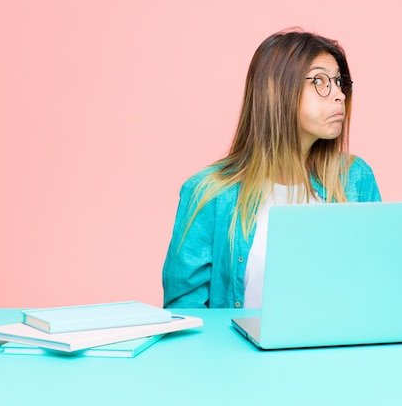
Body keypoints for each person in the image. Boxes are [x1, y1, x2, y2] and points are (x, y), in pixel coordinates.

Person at [162, 29, 381, 309]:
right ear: (277, 90)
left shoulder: (355, 179)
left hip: (334, 352)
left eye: (339, 83)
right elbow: (185, 313)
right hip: (237, 353)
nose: (339, 95)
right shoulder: (208, 193)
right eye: (320, 81)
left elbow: (376, 285)